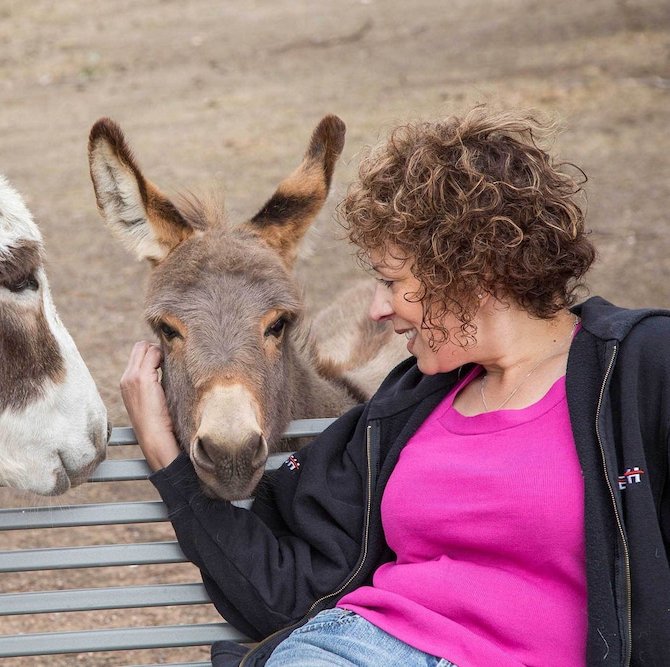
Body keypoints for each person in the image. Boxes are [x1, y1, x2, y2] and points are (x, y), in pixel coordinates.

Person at [120, 105, 670, 667]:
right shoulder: (403, 408)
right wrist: (170, 461)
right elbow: (282, 593)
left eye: (392, 283)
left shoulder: (639, 369)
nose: (377, 309)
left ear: (471, 273)